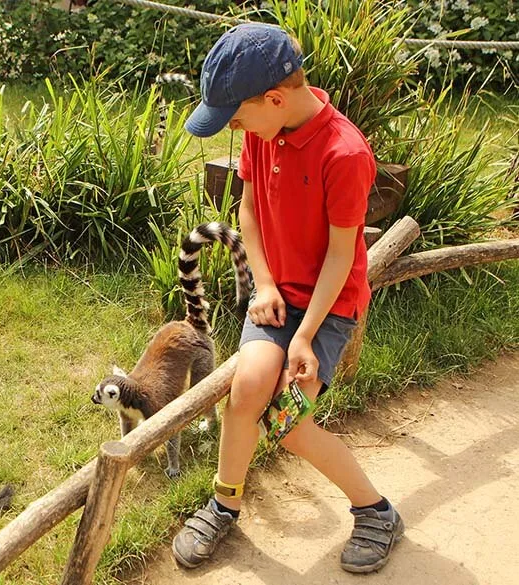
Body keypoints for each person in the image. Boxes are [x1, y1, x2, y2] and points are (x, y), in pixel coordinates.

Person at [171, 23, 403, 574]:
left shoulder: (344, 154)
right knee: (247, 390)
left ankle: (376, 510)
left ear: (274, 98)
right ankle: (225, 501)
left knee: (288, 423)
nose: (233, 126)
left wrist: (303, 334)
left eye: (235, 115)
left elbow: (342, 257)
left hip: (328, 305)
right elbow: (248, 211)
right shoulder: (263, 128)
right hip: (278, 294)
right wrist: (265, 284)